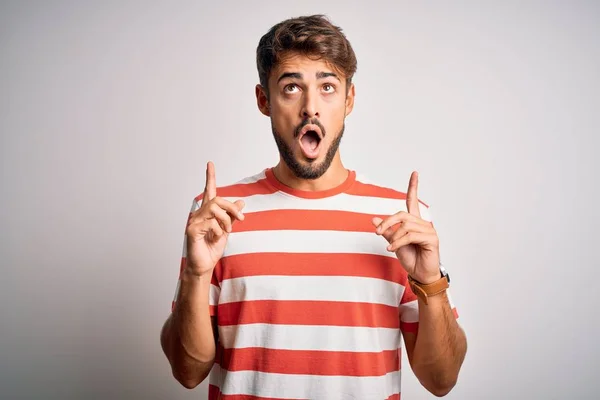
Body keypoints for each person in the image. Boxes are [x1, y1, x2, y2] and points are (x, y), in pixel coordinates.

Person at [160, 14, 467, 399]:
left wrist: (430, 284)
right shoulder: (218, 215)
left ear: (349, 99)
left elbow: (441, 380)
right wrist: (196, 276)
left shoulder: (404, 219)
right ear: (264, 100)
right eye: (291, 87)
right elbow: (188, 372)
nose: (311, 108)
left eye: (327, 86)